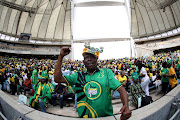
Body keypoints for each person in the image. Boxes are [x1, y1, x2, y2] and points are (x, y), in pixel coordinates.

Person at [54, 44, 131, 119]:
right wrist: (61, 57)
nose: (89, 59)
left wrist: (126, 106)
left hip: (106, 117)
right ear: (83, 61)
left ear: (97, 59)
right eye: (86, 57)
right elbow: (57, 79)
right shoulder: (78, 76)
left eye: (92, 57)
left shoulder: (107, 73)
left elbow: (121, 89)